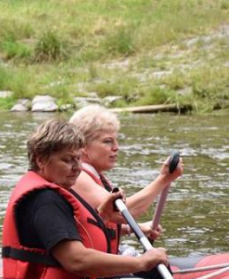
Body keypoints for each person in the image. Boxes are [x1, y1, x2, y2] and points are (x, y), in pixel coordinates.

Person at [2, 118, 169, 279]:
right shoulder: (44, 201)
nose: (77, 168)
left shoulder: (55, 188)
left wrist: (102, 217)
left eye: (78, 159)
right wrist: (141, 263)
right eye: (67, 160)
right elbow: (77, 260)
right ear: (40, 160)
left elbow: (75, 232)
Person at [70, 105, 184, 250]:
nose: (116, 147)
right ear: (83, 146)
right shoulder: (77, 177)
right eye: (107, 141)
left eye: (116, 141)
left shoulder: (95, 176)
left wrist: (131, 229)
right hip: (92, 269)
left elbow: (101, 220)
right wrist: (163, 179)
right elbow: (122, 214)